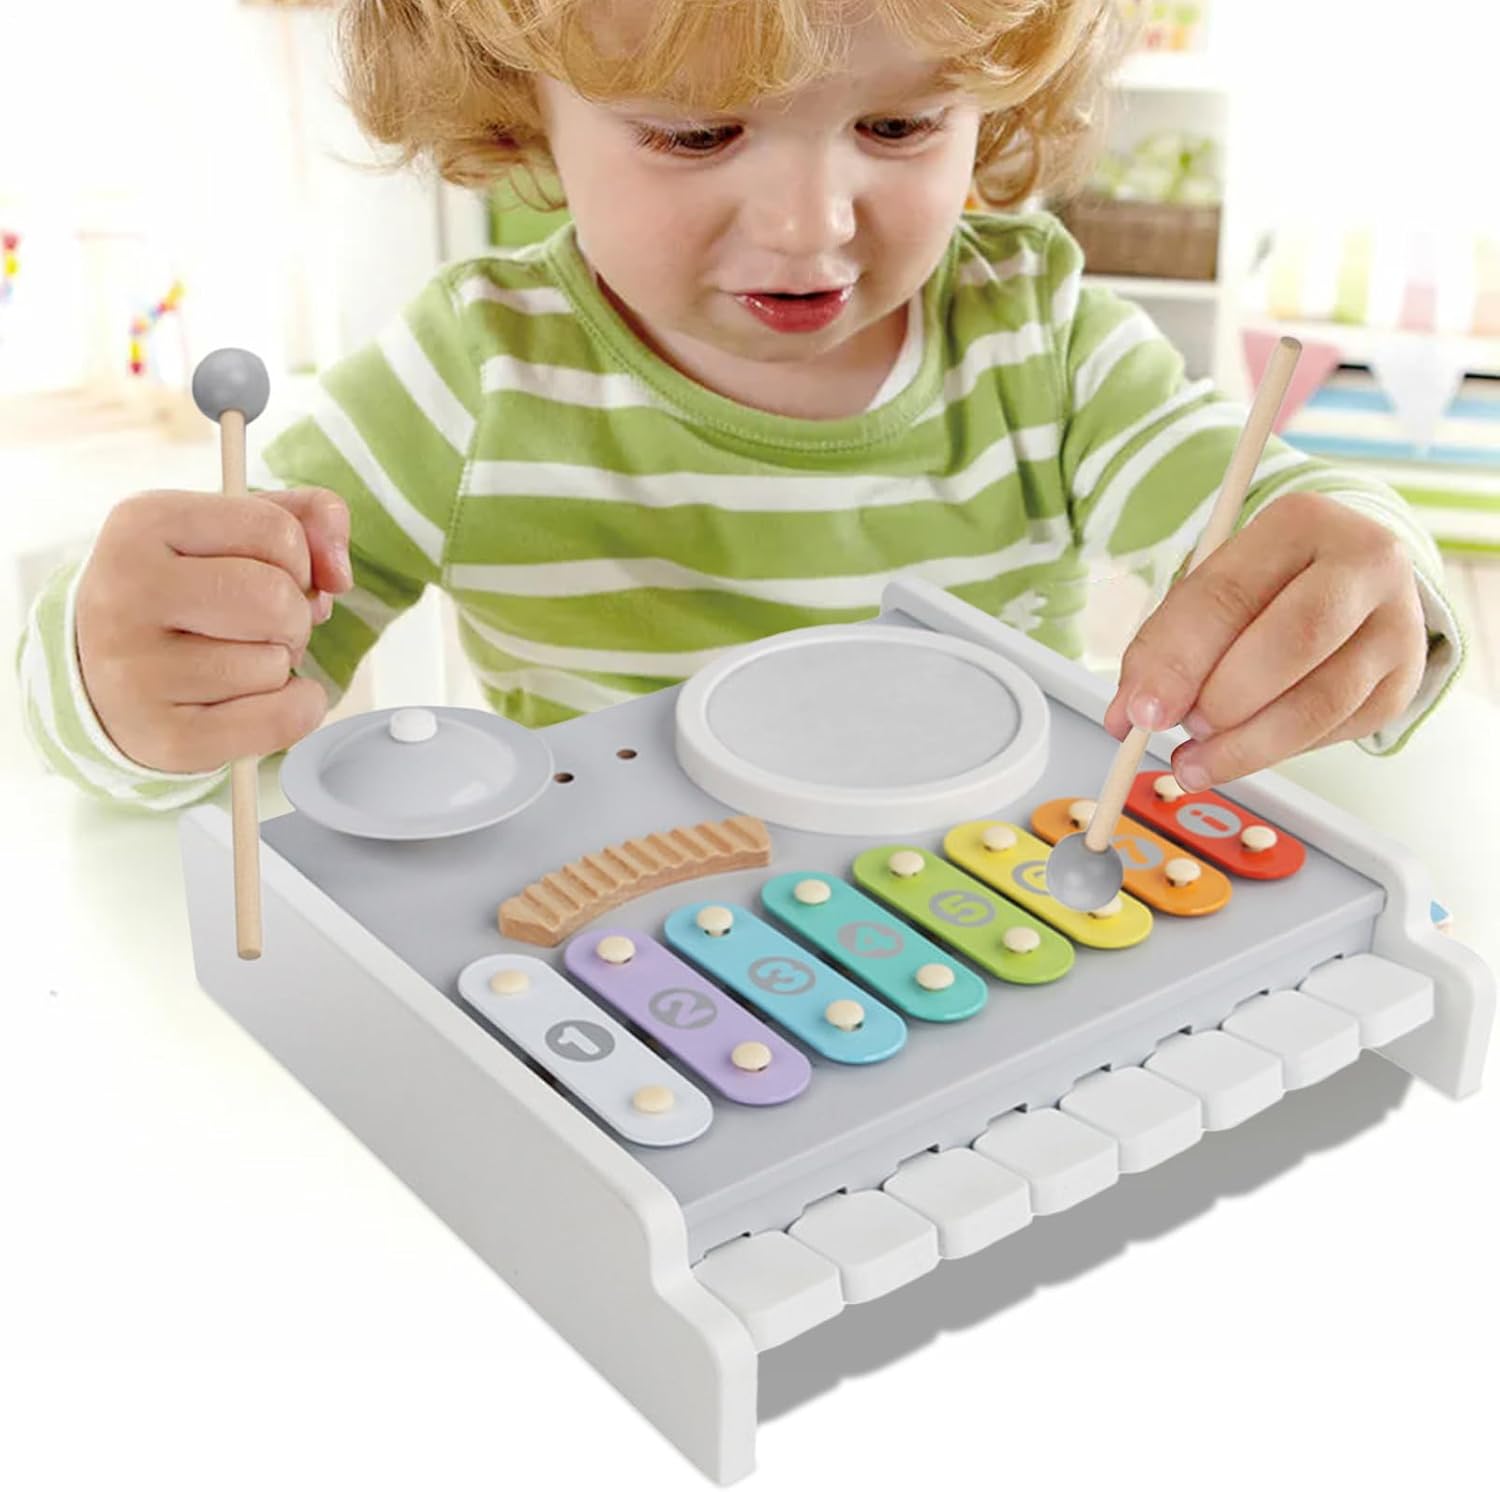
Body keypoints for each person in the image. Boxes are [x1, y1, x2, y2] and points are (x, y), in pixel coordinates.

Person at [16, 0, 1459, 811]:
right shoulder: (468, 379)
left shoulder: (1042, 337)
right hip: (634, 977)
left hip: (996, 928)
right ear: (520, 107)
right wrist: (129, 679)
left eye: (901, 123)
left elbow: (1260, 512)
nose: (811, 226)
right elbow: (207, 704)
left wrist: (1367, 583)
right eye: (697, 133)